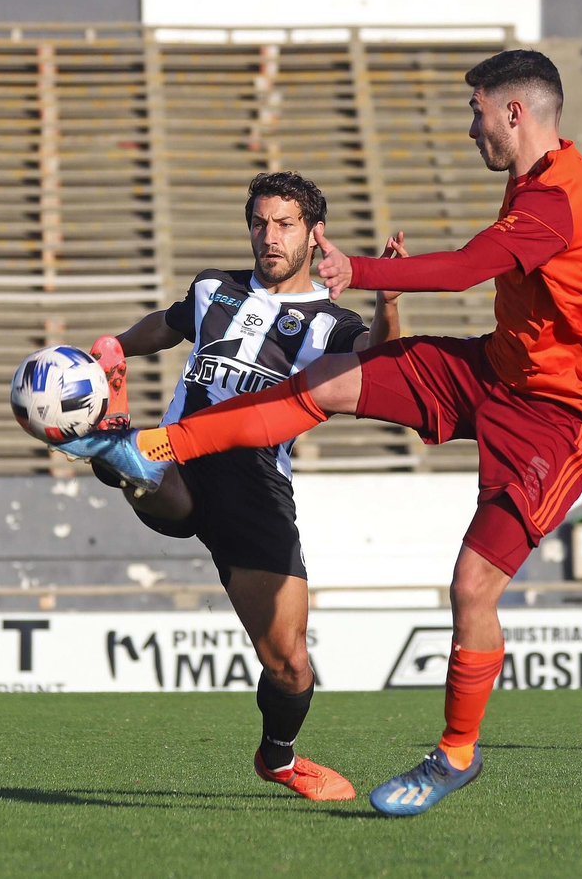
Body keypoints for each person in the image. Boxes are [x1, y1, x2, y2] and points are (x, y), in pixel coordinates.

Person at [64, 50, 582, 816]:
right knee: (327, 383)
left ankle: (456, 753)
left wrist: (362, 272)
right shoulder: (537, 177)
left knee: (470, 588)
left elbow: (465, 269)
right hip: (493, 368)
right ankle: (149, 447)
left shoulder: (557, 199)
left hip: (555, 417)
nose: (472, 130)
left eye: (477, 114)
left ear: (514, 112)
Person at [76, 171, 406, 801]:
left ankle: (278, 759)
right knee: (137, 461)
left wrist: (388, 301)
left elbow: (379, 359)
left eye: (284, 224)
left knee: (291, 666)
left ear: (314, 233)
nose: (269, 236)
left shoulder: (329, 323)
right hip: (179, 454)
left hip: (255, 483)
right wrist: (115, 346)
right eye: (259, 223)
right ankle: (115, 445)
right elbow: (168, 324)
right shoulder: (213, 289)